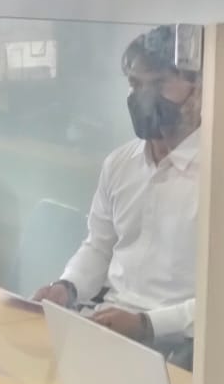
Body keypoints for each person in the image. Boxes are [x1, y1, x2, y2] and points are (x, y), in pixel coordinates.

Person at [33, 25, 201, 360]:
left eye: (159, 84)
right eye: (136, 84)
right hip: (110, 324)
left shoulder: (223, 176)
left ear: (197, 89)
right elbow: (99, 246)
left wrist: (146, 324)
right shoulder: (120, 164)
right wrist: (67, 287)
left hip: (182, 344)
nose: (144, 97)